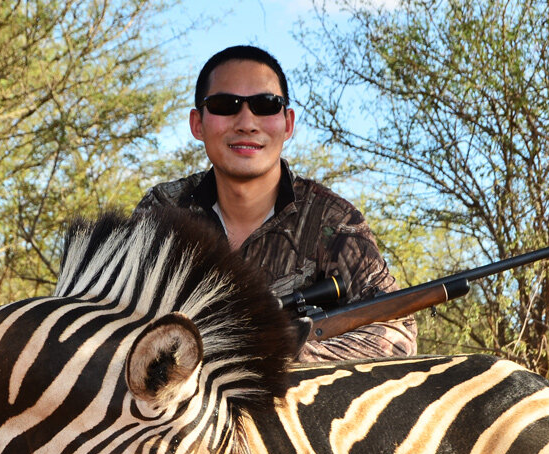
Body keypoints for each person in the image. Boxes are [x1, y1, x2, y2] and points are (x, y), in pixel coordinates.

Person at [136, 45, 416, 362]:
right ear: (197, 124)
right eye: (225, 105)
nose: (246, 122)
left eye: (266, 105)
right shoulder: (161, 211)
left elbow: (397, 331)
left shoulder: (333, 219)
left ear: (287, 123)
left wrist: (284, 352)